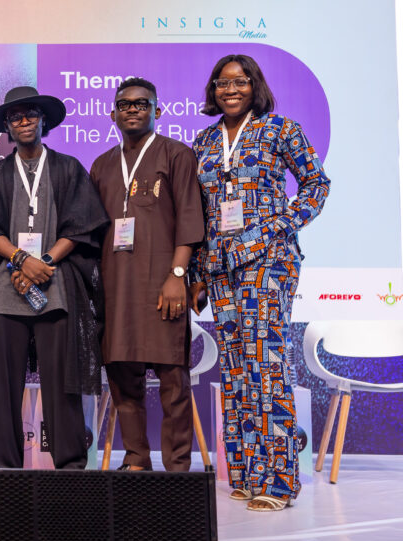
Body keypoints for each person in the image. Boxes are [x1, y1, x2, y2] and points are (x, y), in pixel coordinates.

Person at [189, 54, 330, 511]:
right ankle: (249, 472)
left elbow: (316, 185)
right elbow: (198, 214)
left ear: (255, 85)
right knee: (233, 367)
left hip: (268, 262)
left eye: (239, 80)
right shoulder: (204, 141)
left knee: (265, 362)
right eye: (221, 82)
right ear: (213, 90)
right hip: (220, 268)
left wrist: (277, 226)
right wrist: (196, 272)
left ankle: (281, 480)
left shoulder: (280, 129)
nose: (230, 88)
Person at [0, 86, 109, 470]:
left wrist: (41, 262)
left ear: (44, 120)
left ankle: (69, 466)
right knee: (0, 386)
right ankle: (5, 468)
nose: (24, 121)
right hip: (3, 290)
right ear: (8, 128)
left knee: (63, 383)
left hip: (56, 284)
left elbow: (82, 226)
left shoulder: (68, 168)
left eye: (30, 114)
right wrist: (19, 260)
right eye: (16, 117)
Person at [89, 77, 204, 472]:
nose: (133, 109)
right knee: (122, 376)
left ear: (158, 110)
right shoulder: (102, 164)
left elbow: (190, 218)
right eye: (125, 104)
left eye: (141, 103)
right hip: (116, 287)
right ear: (112, 114)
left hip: (162, 285)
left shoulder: (177, 155)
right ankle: (136, 458)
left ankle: (176, 467)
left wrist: (177, 274)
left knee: (173, 379)